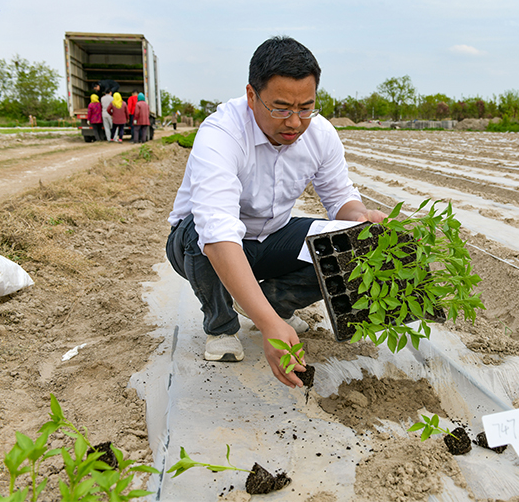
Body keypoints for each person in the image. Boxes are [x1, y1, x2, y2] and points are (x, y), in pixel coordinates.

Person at [165, 36, 386, 388]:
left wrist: (360, 219)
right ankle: (221, 324)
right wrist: (269, 328)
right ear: (252, 96)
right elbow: (218, 233)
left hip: (272, 237)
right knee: (198, 230)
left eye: (305, 108)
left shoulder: (321, 135)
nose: (294, 122)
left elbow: (340, 197)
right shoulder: (221, 135)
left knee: (348, 240)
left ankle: (271, 302)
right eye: (281, 108)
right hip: (203, 247)